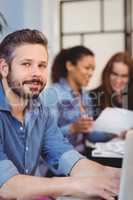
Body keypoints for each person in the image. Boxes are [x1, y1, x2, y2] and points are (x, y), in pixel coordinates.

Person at [0, 29, 120, 200]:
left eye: (41, 65)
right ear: (4, 68)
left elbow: (63, 153)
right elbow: (6, 186)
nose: (36, 73)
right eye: (26, 64)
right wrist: (77, 185)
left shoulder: (40, 110)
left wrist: (111, 174)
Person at [90, 52, 133, 139]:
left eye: (124, 76)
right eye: (115, 74)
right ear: (107, 73)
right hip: (98, 150)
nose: (118, 80)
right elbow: (87, 134)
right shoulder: (93, 96)